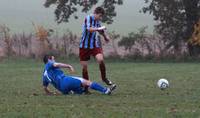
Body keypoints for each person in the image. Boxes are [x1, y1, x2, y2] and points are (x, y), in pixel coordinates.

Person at [79, 7, 115, 92]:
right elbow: (89, 29)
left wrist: (105, 37)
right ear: (95, 13)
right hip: (84, 46)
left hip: (94, 45)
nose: (100, 18)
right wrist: (98, 28)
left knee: (100, 59)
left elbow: (100, 30)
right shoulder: (88, 18)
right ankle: (86, 88)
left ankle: (104, 78)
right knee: (84, 67)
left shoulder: (97, 21)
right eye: (100, 16)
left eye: (101, 16)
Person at [42, 54, 116, 95]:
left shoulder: (44, 75)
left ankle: (80, 92)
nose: (54, 60)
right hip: (65, 81)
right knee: (87, 82)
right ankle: (105, 90)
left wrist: (49, 93)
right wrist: (69, 66)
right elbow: (56, 64)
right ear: (49, 59)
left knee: (81, 90)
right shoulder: (49, 64)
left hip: (63, 90)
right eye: (53, 59)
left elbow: (45, 88)